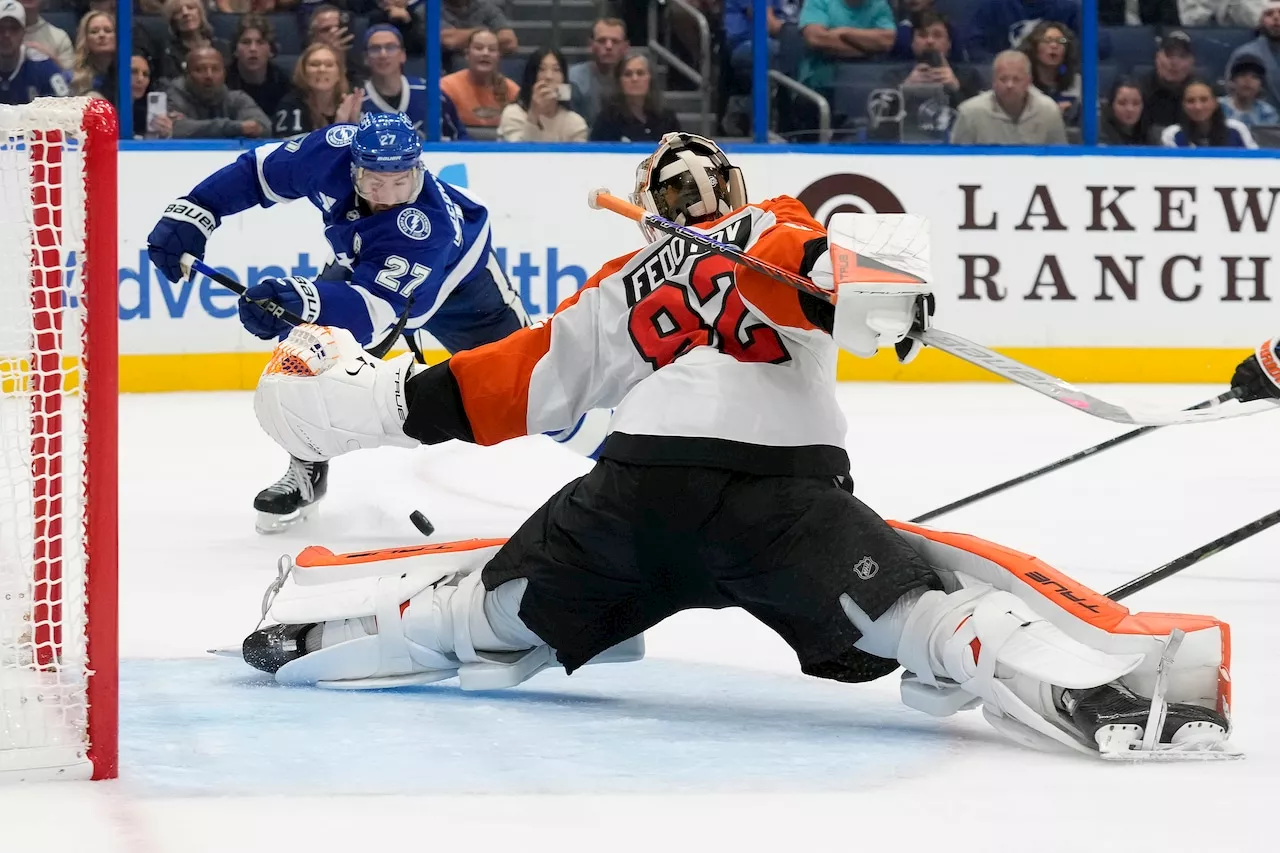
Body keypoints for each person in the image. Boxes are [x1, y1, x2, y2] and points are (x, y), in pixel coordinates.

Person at [240, 132, 1235, 761]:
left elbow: (507, 386)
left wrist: (367, 403)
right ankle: (1062, 678)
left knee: (499, 616)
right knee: (920, 615)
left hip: (634, 497)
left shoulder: (622, 284)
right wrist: (870, 291)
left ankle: (334, 632)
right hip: (780, 501)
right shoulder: (776, 230)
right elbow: (843, 274)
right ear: (736, 189)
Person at [146, 113, 607, 534]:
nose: (386, 196)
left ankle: (616, 460)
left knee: (534, 382)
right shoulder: (331, 151)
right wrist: (198, 209)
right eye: (374, 181)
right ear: (353, 168)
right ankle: (307, 467)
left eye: (400, 181)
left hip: (466, 290)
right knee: (308, 355)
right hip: (366, 266)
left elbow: (372, 315)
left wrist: (301, 299)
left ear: (418, 172)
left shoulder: (427, 229)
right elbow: (257, 173)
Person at [949, 50, 1066, 145]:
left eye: (1016, 79)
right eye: (1003, 79)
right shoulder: (970, 112)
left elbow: (1060, 160)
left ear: (1028, 82)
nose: (1009, 85)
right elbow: (957, 161)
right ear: (993, 81)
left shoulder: (1049, 110)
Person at [165, 45, 270, 139]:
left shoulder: (236, 98)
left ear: (224, 74)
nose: (209, 76)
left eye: (215, 69)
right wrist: (236, 128)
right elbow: (176, 129)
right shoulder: (174, 97)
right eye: (200, 69)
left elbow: (263, 126)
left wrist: (253, 128)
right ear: (187, 75)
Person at [498, 48, 588, 143]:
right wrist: (533, 114)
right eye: (541, 69)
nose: (548, 76)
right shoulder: (513, 114)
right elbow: (519, 155)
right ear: (531, 77)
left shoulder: (575, 122)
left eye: (556, 70)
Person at [270, 43, 361, 136]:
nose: (322, 69)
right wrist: (338, 126)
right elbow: (295, 149)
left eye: (329, 65)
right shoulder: (290, 106)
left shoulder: (349, 104)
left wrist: (355, 123)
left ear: (339, 73)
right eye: (314, 64)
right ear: (303, 72)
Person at [588, 53, 679, 142]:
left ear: (650, 79)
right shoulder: (607, 120)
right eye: (628, 74)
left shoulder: (667, 118)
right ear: (619, 81)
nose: (634, 79)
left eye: (640, 73)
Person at [359, 24, 428, 133]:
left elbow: (459, 138)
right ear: (366, 58)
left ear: (403, 55)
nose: (383, 55)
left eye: (390, 47)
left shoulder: (428, 92)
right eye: (375, 49)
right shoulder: (358, 103)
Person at [0, 0, 67, 104]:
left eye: (14, 28)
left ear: (23, 32)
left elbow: (65, 104)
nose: (6, 35)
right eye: (0, 28)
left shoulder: (43, 65)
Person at [226, 14, 292, 118]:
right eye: (246, 42)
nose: (253, 48)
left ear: (271, 50)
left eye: (260, 42)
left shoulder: (286, 82)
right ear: (235, 50)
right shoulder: (223, 82)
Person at [1161, 78, 1258, 148]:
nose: (1198, 107)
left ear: (1215, 102)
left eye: (1204, 100)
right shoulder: (1172, 135)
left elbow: (1257, 162)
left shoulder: (1237, 130)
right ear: (1183, 106)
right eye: (1190, 101)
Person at [1017, 20, 1080, 125]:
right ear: (1034, 47)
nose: (1054, 46)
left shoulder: (1077, 82)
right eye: (1047, 40)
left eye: (1061, 41)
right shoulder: (1021, 84)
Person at [68, 9, 116, 102]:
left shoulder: (126, 75)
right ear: (85, 39)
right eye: (94, 32)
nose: (101, 35)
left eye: (108, 30)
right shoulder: (73, 78)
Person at [1219, 56, 1279, 128]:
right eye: (1242, 75)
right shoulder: (1216, 107)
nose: (1248, 80)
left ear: (1261, 85)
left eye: (1254, 77)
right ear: (1232, 81)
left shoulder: (1268, 113)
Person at [1098, 77, 1147, 145]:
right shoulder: (1099, 132)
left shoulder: (1152, 134)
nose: (1130, 109)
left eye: (1136, 103)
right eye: (1122, 103)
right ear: (1111, 105)